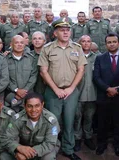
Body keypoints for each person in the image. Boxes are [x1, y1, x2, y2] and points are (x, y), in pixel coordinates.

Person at [38, 18, 87, 160]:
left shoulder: (77, 48)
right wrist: (56, 89)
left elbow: (81, 70)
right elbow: (43, 71)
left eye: (67, 30)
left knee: (69, 122)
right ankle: (50, 150)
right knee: (52, 123)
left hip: (71, 92)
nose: (65, 32)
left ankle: (68, 149)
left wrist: (71, 88)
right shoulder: (47, 49)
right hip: (53, 92)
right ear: (55, 33)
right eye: (62, 30)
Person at [93, 32, 119, 157]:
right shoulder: (99, 58)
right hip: (104, 96)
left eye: (114, 42)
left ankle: (118, 145)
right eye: (109, 42)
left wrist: (118, 90)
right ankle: (101, 144)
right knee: (102, 123)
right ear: (106, 44)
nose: (111, 44)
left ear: (118, 43)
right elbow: (96, 77)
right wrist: (107, 89)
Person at [0, 92, 60, 160]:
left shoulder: (51, 120)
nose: (33, 110)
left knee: (49, 158)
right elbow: (7, 138)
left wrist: (28, 154)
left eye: (37, 106)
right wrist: (18, 149)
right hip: (22, 149)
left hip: (42, 150)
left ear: (42, 105)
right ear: (25, 106)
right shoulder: (17, 119)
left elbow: (50, 144)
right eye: (29, 106)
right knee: (4, 157)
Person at [73, 35, 97, 152]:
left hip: (92, 94)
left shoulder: (97, 57)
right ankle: (77, 138)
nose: (86, 43)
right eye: (83, 41)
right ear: (79, 43)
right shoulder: (74, 57)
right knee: (77, 117)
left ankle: (88, 137)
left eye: (88, 41)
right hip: (78, 93)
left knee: (89, 117)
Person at [5, 35, 38, 112]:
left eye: (22, 43)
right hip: (11, 95)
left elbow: (33, 76)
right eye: (16, 42)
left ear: (25, 44)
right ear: (11, 44)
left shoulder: (31, 59)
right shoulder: (5, 59)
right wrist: (16, 90)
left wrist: (25, 90)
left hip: (28, 95)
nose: (19, 45)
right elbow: (4, 77)